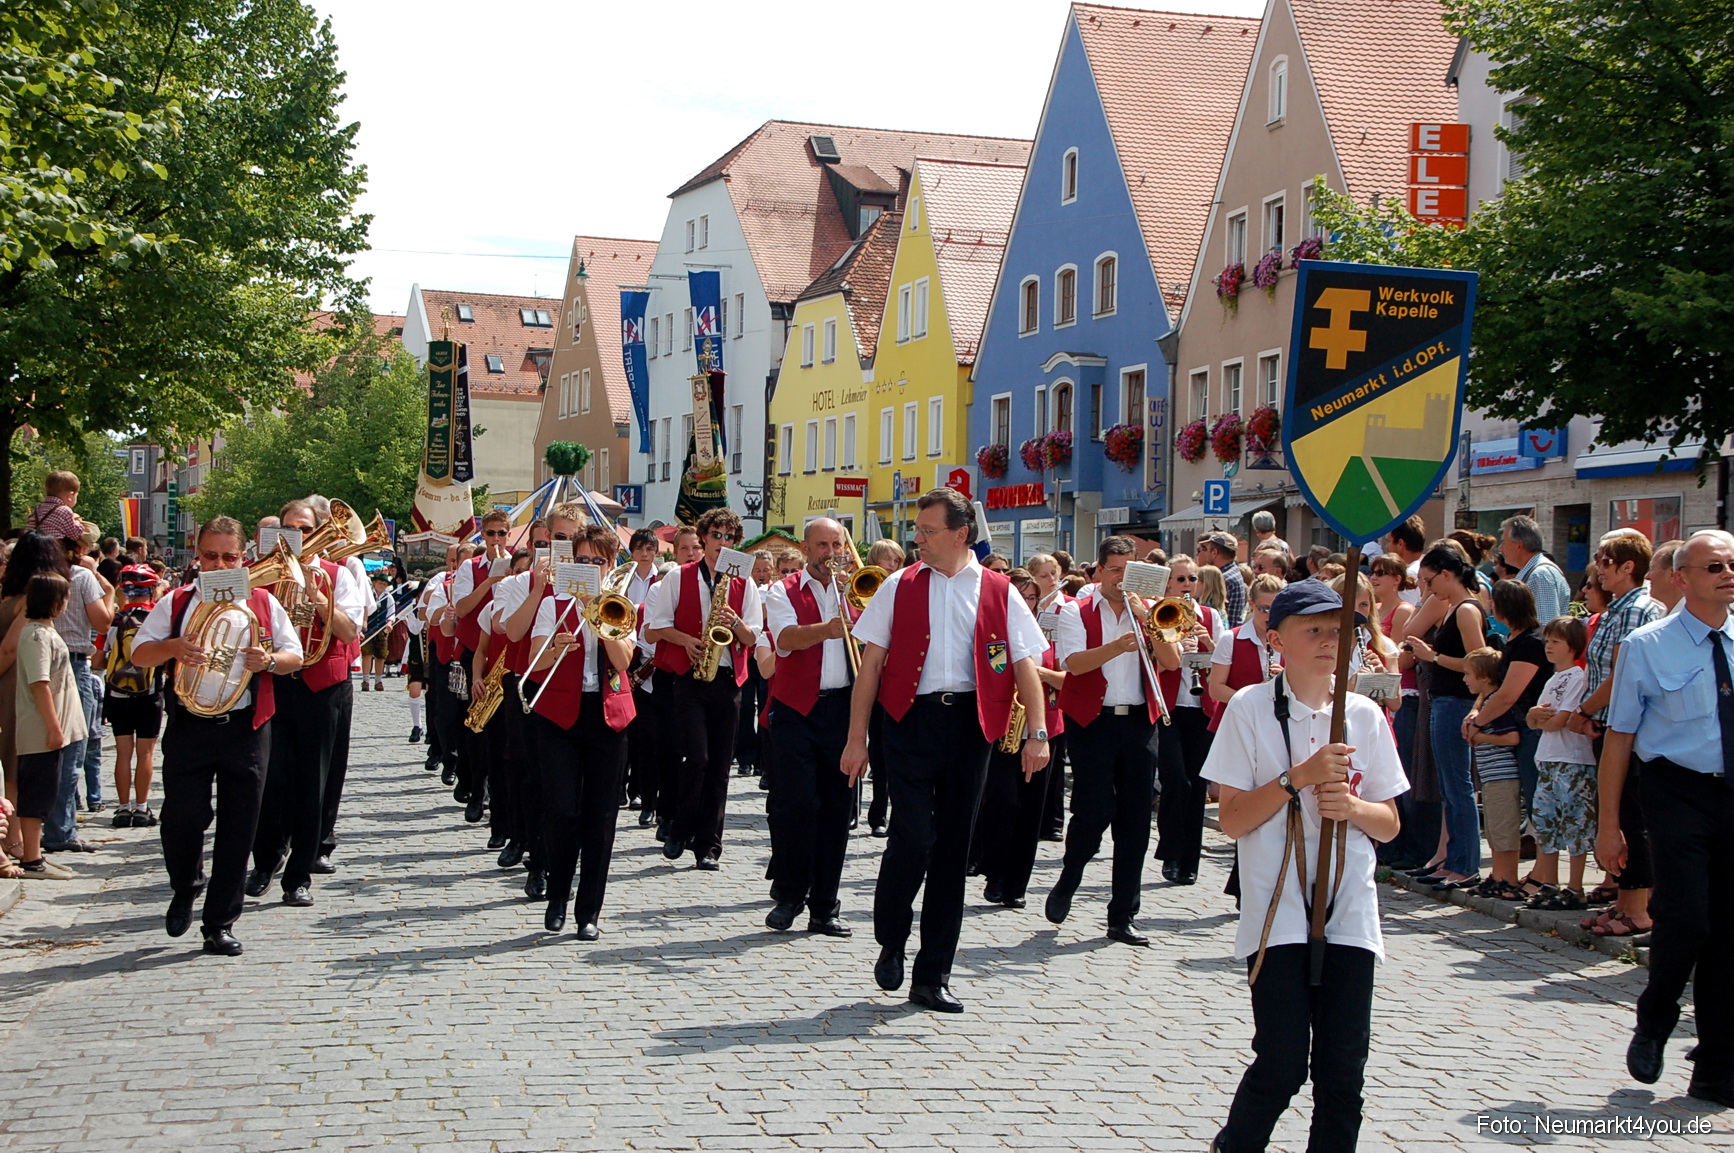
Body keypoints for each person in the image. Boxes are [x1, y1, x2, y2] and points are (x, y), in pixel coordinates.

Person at [1202, 581, 1407, 1153]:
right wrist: (1298, 778)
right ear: (1276, 640)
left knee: (1343, 1070)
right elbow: (1234, 819)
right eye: (1312, 629)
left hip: (1349, 909)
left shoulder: (1363, 713)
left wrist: (1355, 807)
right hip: (1277, 910)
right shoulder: (1249, 708)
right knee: (1284, 1060)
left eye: (1340, 630)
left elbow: (1389, 823)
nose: (1328, 641)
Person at [841, 488, 1049, 1012]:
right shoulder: (898, 584)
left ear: (961, 535)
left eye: (928, 531)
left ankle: (933, 974)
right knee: (913, 836)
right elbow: (870, 664)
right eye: (917, 530)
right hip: (910, 721)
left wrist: (1038, 732)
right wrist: (856, 737)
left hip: (972, 726)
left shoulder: (1000, 590)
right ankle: (891, 935)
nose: (919, 539)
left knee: (953, 850)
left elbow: (1024, 662)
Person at [1600, 530, 1734, 1107]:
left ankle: (1715, 1067)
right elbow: (1619, 738)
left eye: (1732, 564)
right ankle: (1656, 1014)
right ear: (1682, 578)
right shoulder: (1648, 645)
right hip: (1675, 790)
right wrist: (1609, 825)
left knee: (1728, 931)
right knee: (1686, 917)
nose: (1727, 574)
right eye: (1713, 566)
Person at [129, 516, 305, 956]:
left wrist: (267, 660)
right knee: (181, 820)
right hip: (190, 725)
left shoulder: (262, 602)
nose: (220, 564)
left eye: (229, 556)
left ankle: (219, 922)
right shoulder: (177, 601)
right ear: (197, 555)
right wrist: (173, 647)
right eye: (211, 556)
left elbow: (294, 655)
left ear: (243, 558)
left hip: (246, 728)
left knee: (239, 827)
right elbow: (139, 651)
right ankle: (186, 884)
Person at [1048, 536, 1171, 942]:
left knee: (1136, 821)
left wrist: (1149, 624)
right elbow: (1075, 664)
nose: (1122, 579)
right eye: (1115, 570)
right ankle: (1071, 875)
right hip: (1092, 723)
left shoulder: (1149, 611)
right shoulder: (1075, 611)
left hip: (1139, 722)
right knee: (1093, 811)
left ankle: (1122, 915)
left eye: (1128, 571)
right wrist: (1118, 645)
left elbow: (1171, 663)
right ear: (1098, 571)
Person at [246, 499, 364, 906]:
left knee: (313, 782)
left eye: (306, 527)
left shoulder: (338, 574)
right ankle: (264, 862)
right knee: (270, 778)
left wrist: (317, 598)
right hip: (276, 683)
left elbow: (349, 633)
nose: (299, 535)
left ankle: (299, 875)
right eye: (291, 528)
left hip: (321, 687)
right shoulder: (265, 576)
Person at [525, 522, 637, 940]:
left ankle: (588, 910)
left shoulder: (620, 603)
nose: (589, 566)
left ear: (610, 566)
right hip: (559, 715)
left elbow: (624, 661)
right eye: (582, 560)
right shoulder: (554, 602)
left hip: (608, 715)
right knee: (561, 810)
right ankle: (557, 895)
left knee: (601, 816)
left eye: (598, 561)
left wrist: (597, 610)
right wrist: (553, 648)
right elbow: (534, 663)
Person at [642, 508, 763, 870]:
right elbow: (654, 627)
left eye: (729, 538)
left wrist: (736, 621)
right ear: (704, 538)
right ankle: (680, 827)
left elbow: (753, 636)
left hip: (728, 680)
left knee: (720, 766)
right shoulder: (679, 577)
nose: (721, 543)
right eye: (716, 536)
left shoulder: (747, 582)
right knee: (696, 758)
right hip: (690, 677)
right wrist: (685, 641)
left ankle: (709, 843)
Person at [761, 518, 857, 936]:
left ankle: (825, 906)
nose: (830, 552)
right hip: (795, 710)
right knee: (797, 805)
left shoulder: (855, 589)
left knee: (837, 810)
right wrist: (830, 629)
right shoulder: (781, 590)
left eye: (836, 544)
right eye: (822, 544)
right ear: (805, 547)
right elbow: (785, 639)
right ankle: (789, 895)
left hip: (842, 710)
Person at [1575, 529, 1662, 939]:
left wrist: (1585, 709)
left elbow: (1621, 673)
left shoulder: (1637, 609)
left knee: (1632, 814)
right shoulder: (1614, 609)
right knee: (1619, 814)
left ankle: (1638, 908)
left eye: (1605, 561)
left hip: (1627, 727)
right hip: (1607, 723)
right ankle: (1626, 899)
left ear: (1629, 567)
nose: (1598, 568)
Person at [971, 567, 1065, 910]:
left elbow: (1070, 679)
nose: (1025, 603)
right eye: (1020, 596)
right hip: (1002, 731)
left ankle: (1016, 885)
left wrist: (1033, 670)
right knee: (1002, 803)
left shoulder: (1052, 633)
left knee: (1031, 810)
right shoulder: (993, 630)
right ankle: (995, 874)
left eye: (1031, 597)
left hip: (1041, 729)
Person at [1403, 543, 1487, 890]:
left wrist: (1432, 656)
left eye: (1429, 580)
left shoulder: (1467, 609)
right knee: (1449, 788)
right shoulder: (1452, 608)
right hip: (1442, 701)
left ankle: (1465, 863)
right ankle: (1450, 860)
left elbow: (1478, 661)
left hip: (1457, 702)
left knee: (1458, 787)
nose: (1427, 588)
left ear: (1447, 574)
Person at [1153, 553, 1225, 886]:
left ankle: (1189, 860)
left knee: (1197, 786)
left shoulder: (1210, 616)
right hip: (1168, 707)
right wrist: (1178, 641)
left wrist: (1208, 646)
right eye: (1180, 579)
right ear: (1168, 583)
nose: (1186, 585)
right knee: (1175, 779)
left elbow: (1223, 662)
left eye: (1191, 579)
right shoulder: (1161, 613)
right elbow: (1160, 659)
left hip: (1201, 708)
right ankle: (1170, 852)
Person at [13, 573, 88, 880]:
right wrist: (54, 727)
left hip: (52, 730)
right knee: (37, 794)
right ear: (54, 601)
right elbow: (39, 683)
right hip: (40, 731)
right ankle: (31, 858)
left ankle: (37, 855)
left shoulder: (45, 632)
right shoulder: (35, 636)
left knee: (47, 791)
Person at [1524, 616, 1596, 910]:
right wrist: (1536, 718)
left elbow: (1560, 720)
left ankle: (1575, 886)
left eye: (1556, 642)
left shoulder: (1579, 677)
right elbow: (1534, 719)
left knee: (1575, 824)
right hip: (1548, 759)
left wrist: (1541, 720)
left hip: (1572, 761)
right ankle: (1550, 883)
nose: (1549, 646)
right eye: (1548, 641)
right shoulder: (1553, 678)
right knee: (1545, 822)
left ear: (1573, 646)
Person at [105, 565, 167, 828]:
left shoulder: (115, 621)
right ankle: (141, 809)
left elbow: (100, 657)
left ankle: (122, 808)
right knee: (145, 753)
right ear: (151, 589)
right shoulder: (157, 621)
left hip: (117, 694)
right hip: (148, 692)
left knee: (123, 752)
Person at [1462, 647, 1524, 899]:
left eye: (1468, 674)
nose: (1464, 679)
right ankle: (1497, 875)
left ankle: (1508, 877)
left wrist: (1481, 735)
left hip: (1502, 775)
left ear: (1485, 677)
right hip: (1489, 776)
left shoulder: (1495, 705)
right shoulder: (1486, 702)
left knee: (1504, 828)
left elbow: (1511, 737)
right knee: (1495, 830)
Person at [1500, 515, 1570, 624]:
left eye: (1504, 542)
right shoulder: (1535, 572)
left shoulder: (1540, 575)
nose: (1500, 548)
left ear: (1519, 545)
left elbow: (1545, 625)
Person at [1198, 531, 1246, 628]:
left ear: (1214, 552)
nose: (1204, 553)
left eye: (1206, 549)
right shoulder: (1234, 571)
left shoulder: (1223, 579)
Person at [1384, 514, 1427, 605]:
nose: (1386, 547)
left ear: (1400, 544)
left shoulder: (1409, 575)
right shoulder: (1426, 566)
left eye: (1388, 541)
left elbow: (1406, 614)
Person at [358, 573, 391, 690]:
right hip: (369, 629)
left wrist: (389, 623)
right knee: (367, 654)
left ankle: (378, 681)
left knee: (380, 656)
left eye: (384, 584)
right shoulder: (368, 596)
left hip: (381, 630)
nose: (382, 585)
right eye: (380, 583)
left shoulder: (388, 597)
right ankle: (365, 680)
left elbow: (391, 614)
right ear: (374, 583)